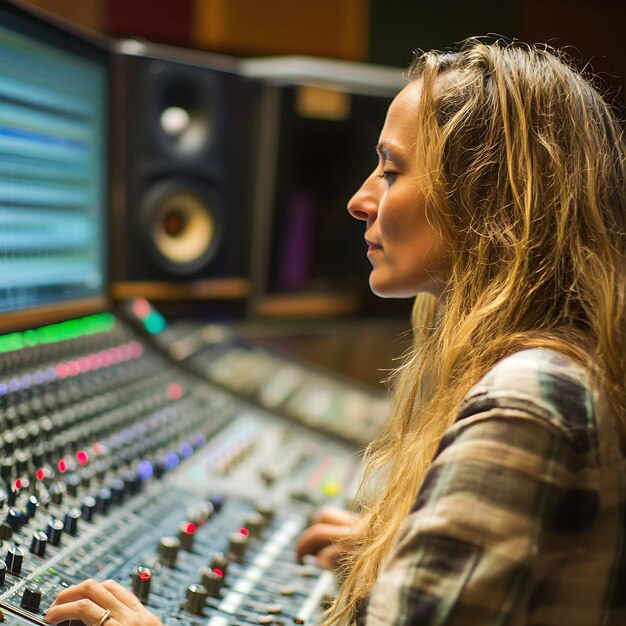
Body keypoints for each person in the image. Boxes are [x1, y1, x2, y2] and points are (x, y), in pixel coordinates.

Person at [44, 38, 625, 626]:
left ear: (488, 199)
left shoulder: (526, 403)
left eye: (392, 170)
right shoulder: (557, 370)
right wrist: (404, 553)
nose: (358, 200)